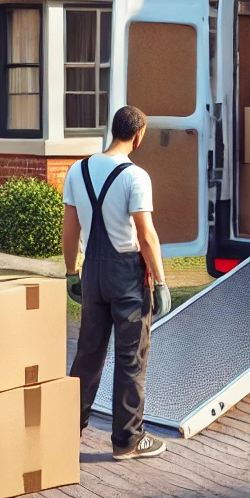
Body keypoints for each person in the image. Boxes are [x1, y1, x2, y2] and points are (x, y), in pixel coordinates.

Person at [63, 105, 173, 460]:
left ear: (113, 131)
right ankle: (127, 441)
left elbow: (71, 228)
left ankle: (64, 430)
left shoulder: (77, 170)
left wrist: (70, 272)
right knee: (131, 358)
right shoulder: (136, 177)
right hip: (127, 277)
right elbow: (146, 235)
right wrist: (159, 281)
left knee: (88, 355)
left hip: (92, 272)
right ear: (138, 136)